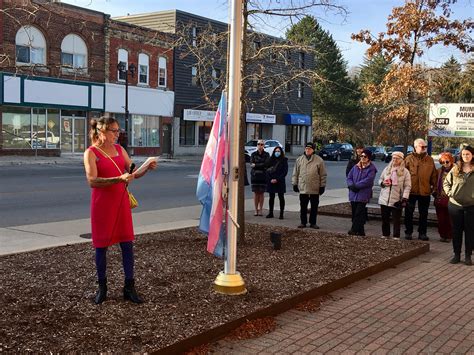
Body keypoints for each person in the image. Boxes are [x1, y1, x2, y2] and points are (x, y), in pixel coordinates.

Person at [83, 117, 157, 304]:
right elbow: (92, 181)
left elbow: (131, 173)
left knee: (127, 245)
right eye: (113, 131)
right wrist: (118, 179)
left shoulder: (119, 150)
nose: (118, 134)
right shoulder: (91, 153)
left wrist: (146, 167)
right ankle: (102, 288)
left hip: (121, 203)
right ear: (101, 132)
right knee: (101, 247)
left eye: (118, 131)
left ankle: (129, 287)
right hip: (102, 206)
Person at [443, 146, 474, 265]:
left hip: (471, 206)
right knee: (456, 231)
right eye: (464, 154)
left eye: (468, 154)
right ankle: (456, 255)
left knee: (470, 232)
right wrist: (450, 193)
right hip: (455, 206)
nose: (465, 156)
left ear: (472, 155)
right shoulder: (455, 168)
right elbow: (446, 183)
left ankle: (468, 256)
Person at [403, 138, 437, 241]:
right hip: (411, 191)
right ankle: (408, 232)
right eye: (422, 147)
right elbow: (403, 174)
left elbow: (434, 176)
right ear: (415, 147)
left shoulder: (430, 160)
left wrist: (434, 188)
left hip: (425, 191)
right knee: (408, 213)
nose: (424, 148)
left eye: (425, 147)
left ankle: (422, 233)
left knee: (424, 214)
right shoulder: (408, 159)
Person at [291, 142, 327, 229]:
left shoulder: (319, 160)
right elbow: (295, 173)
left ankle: (313, 222)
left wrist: (322, 186)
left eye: (309, 149)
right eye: (306, 148)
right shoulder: (299, 160)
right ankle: (303, 222)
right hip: (303, 187)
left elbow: (323, 175)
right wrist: (294, 183)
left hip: (314, 187)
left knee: (314, 207)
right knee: (303, 206)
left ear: (313, 150)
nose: (307, 150)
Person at [378, 151, 411, 238]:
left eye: (397, 158)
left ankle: (396, 236)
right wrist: (383, 183)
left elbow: (407, 186)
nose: (394, 160)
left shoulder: (405, 172)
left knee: (396, 220)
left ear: (401, 160)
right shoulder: (387, 169)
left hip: (397, 199)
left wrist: (404, 198)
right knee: (385, 219)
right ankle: (385, 234)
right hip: (384, 198)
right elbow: (380, 179)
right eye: (393, 158)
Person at [347, 149, 377, 236]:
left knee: (358, 213)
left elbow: (368, 180)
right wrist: (351, 185)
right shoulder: (356, 166)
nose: (363, 158)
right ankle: (361, 231)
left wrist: (357, 186)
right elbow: (349, 177)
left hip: (363, 194)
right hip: (353, 193)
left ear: (369, 158)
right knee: (355, 212)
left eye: (365, 156)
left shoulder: (372, 168)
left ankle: (353, 230)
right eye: (361, 156)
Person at [434, 152, 454, 243]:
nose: (445, 164)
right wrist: (434, 192)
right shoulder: (438, 171)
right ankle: (442, 235)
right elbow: (434, 183)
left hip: (452, 198)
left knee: (450, 219)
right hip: (440, 198)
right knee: (441, 219)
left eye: (447, 162)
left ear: (451, 161)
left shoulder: (456, 170)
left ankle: (449, 235)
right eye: (442, 162)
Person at [265, 146, 288, 219]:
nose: (277, 152)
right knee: (271, 197)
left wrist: (277, 179)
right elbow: (266, 170)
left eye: (278, 151)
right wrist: (271, 179)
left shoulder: (284, 160)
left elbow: (285, 172)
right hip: (271, 181)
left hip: (280, 181)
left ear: (281, 152)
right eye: (276, 151)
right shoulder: (270, 160)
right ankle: (270, 213)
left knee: (281, 197)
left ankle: (281, 214)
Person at [250, 139, 270, 216]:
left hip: (263, 176)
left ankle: (260, 209)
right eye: (259, 144)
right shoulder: (253, 154)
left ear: (264, 145)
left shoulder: (267, 154)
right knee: (255, 193)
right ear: (257, 145)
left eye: (262, 144)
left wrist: (257, 165)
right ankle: (255, 209)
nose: (260, 146)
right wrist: (260, 165)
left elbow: (266, 164)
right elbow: (252, 164)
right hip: (255, 176)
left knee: (261, 193)